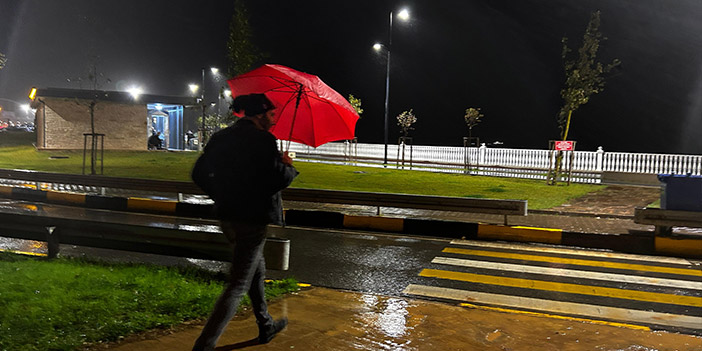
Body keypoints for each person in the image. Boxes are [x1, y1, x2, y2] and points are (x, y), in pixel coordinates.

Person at [191, 93, 298, 351]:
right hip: (252, 219)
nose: (274, 120)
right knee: (238, 284)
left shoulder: (221, 138)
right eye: (272, 115)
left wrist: (221, 194)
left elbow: (198, 173)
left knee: (256, 270)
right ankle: (204, 344)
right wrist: (287, 167)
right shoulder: (263, 140)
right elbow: (275, 180)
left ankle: (265, 325)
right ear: (260, 114)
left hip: (227, 215)